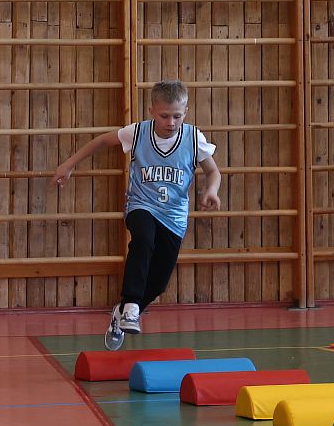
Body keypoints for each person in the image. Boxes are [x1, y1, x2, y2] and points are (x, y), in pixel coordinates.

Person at [53, 80, 222, 350]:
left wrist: (211, 190)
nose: (171, 122)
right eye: (164, 116)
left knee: (158, 283)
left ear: (186, 112)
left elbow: (213, 171)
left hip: (174, 217)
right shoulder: (138, 132)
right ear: (151, 111)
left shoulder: (193, 138)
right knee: (143, 239)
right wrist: (69, 164)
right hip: (141, 205)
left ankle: (121, 314)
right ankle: (131, 303)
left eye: (177, 116)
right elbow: (102, 140)